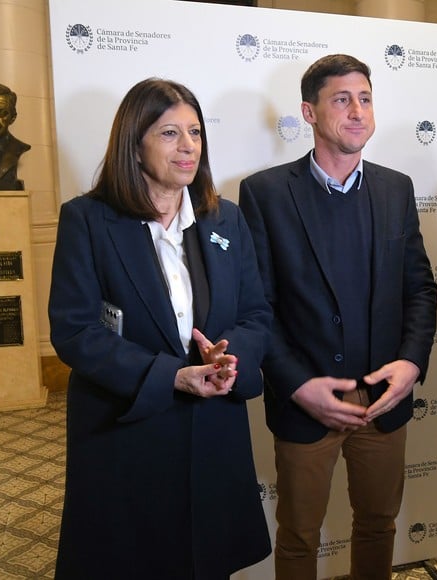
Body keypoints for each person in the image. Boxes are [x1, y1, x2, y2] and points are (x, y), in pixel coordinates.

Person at [49, 78, 272, 579]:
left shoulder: (226, 220)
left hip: (213, 434)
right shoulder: (86, 220)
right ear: (134, 143)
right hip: (127, 435)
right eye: (170, 133)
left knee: (207, 563)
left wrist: (229, 357)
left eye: (194, 132)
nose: (188, 145)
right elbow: (75, 330)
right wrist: (171, 375)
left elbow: (257, 313)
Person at [238, 54, 437, 579]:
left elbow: (419, 287)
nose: (357, 111)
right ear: (309, 112)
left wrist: (411, 365)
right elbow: (258, 307)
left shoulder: (397, 188)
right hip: (307, 404)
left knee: (379, 524)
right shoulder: (265, 194)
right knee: (299, 535)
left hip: (384, 400)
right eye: (341, 99)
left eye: (365, 98)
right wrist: (297, 385)